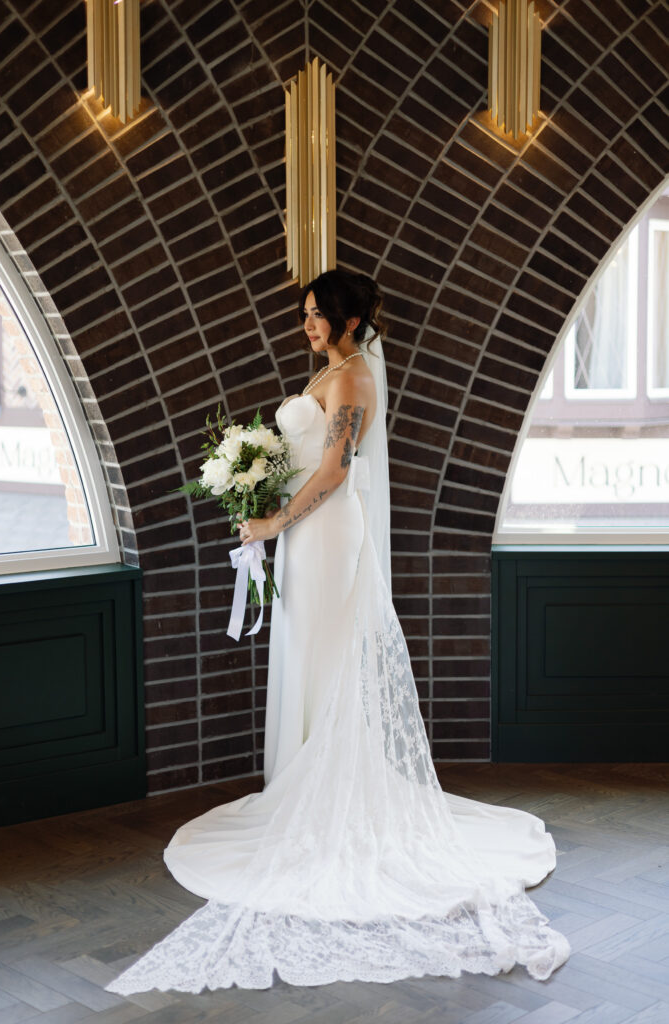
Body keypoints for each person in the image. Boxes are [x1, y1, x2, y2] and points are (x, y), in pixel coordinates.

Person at [106, 270, 570, 995]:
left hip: (322, 533)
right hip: (304, 534)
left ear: (350, 321)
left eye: (319, 315)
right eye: (305, 315)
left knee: (324, 660)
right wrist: (256, 489)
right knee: (305, 656)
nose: (308, 325)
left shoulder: (352, 380)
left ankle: (326, 800)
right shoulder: (329, 371)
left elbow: (333, 470)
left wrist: (271, 520)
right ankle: (297, 785)